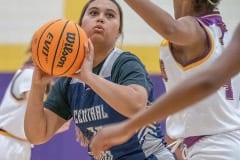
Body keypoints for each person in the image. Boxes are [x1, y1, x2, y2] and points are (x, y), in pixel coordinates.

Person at [24, 0, 175, 160]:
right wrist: (37, 85)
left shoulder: (125, 62)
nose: (100, 18)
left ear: (118, 33)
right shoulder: (68, 82)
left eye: (110, 15)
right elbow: (37, 134)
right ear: (79, 26)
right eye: (93, 13)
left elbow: (136, 105)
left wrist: (88, 77)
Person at [90, 1, 240, 160]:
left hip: (215, 149)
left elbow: (170, 28)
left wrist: (126, 128)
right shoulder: (221, 32)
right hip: (217, 144)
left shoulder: (194, 29)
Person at [0, 47, 71, 160]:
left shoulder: (46, 80)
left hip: (21, 145)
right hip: (7, 144)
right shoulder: (29, 74)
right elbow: (36, 110)